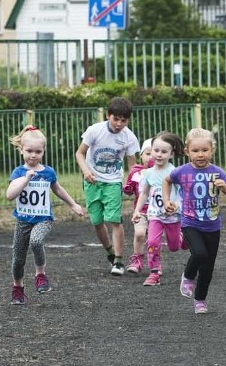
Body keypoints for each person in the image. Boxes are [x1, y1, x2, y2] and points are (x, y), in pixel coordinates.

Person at [163, 128, 226, 315]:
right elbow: (167, 181)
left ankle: (200, 299)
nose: (200, 154)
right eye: (195, 151)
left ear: (212, 150)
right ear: (187, 151)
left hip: (212, 225)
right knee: (199, 254)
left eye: (205, 150)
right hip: (190, 222)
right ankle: (188, 276)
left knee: (208, 266)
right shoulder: (181, 171)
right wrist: (166, 201)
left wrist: (225, 189)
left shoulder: (217, 172)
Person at [7, 126, 84, 304]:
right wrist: (26, 179)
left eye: (38, 151)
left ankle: (40, 274)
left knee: (36, 241)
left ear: (43, 151)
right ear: (21, 150)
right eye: (29, 151)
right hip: (23, 220)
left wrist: (72, 204)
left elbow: (57, 188)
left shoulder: (48, 172)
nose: (33, 155)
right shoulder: (18, 172)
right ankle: (18, 288)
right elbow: (10, 195)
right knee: (18, 259)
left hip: (43, 219)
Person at [75, 97, 140, 276]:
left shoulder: (129, 137)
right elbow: (80, 153)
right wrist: (86, 171)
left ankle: (119, 261)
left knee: (114, 219)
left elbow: (132, 165)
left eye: (124, 120)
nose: (119, 124)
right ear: (108, 116)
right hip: (92, 181)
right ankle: (110, 252)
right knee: (97, 221)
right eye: (116, 119)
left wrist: (131, 183)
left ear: (128, 120)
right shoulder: (94, 131)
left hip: (113, 181)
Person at [131, 132, 185, 287]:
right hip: (155, 215)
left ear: (172, 154)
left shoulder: (175, 173)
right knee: (152, 242)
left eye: (164, 152)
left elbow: (182, 193)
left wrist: (176, 206)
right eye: (156, 150)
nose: (159, 155)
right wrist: (137, 211)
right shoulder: (147, 173)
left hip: (173, 217)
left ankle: (183, 238)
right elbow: (144, 193)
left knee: (174, 247)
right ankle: (154, 273)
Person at [123, 138, 153, 275]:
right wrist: (127, 188)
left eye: (155, 153)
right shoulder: (136, 172)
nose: (151, 157)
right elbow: (129, 190)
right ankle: (137, 260)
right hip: (140, 211)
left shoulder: (164, 173)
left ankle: (155, 263)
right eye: (147, 153)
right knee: (140, 234)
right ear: (140, 156)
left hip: (157, 213)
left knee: (154, 240)